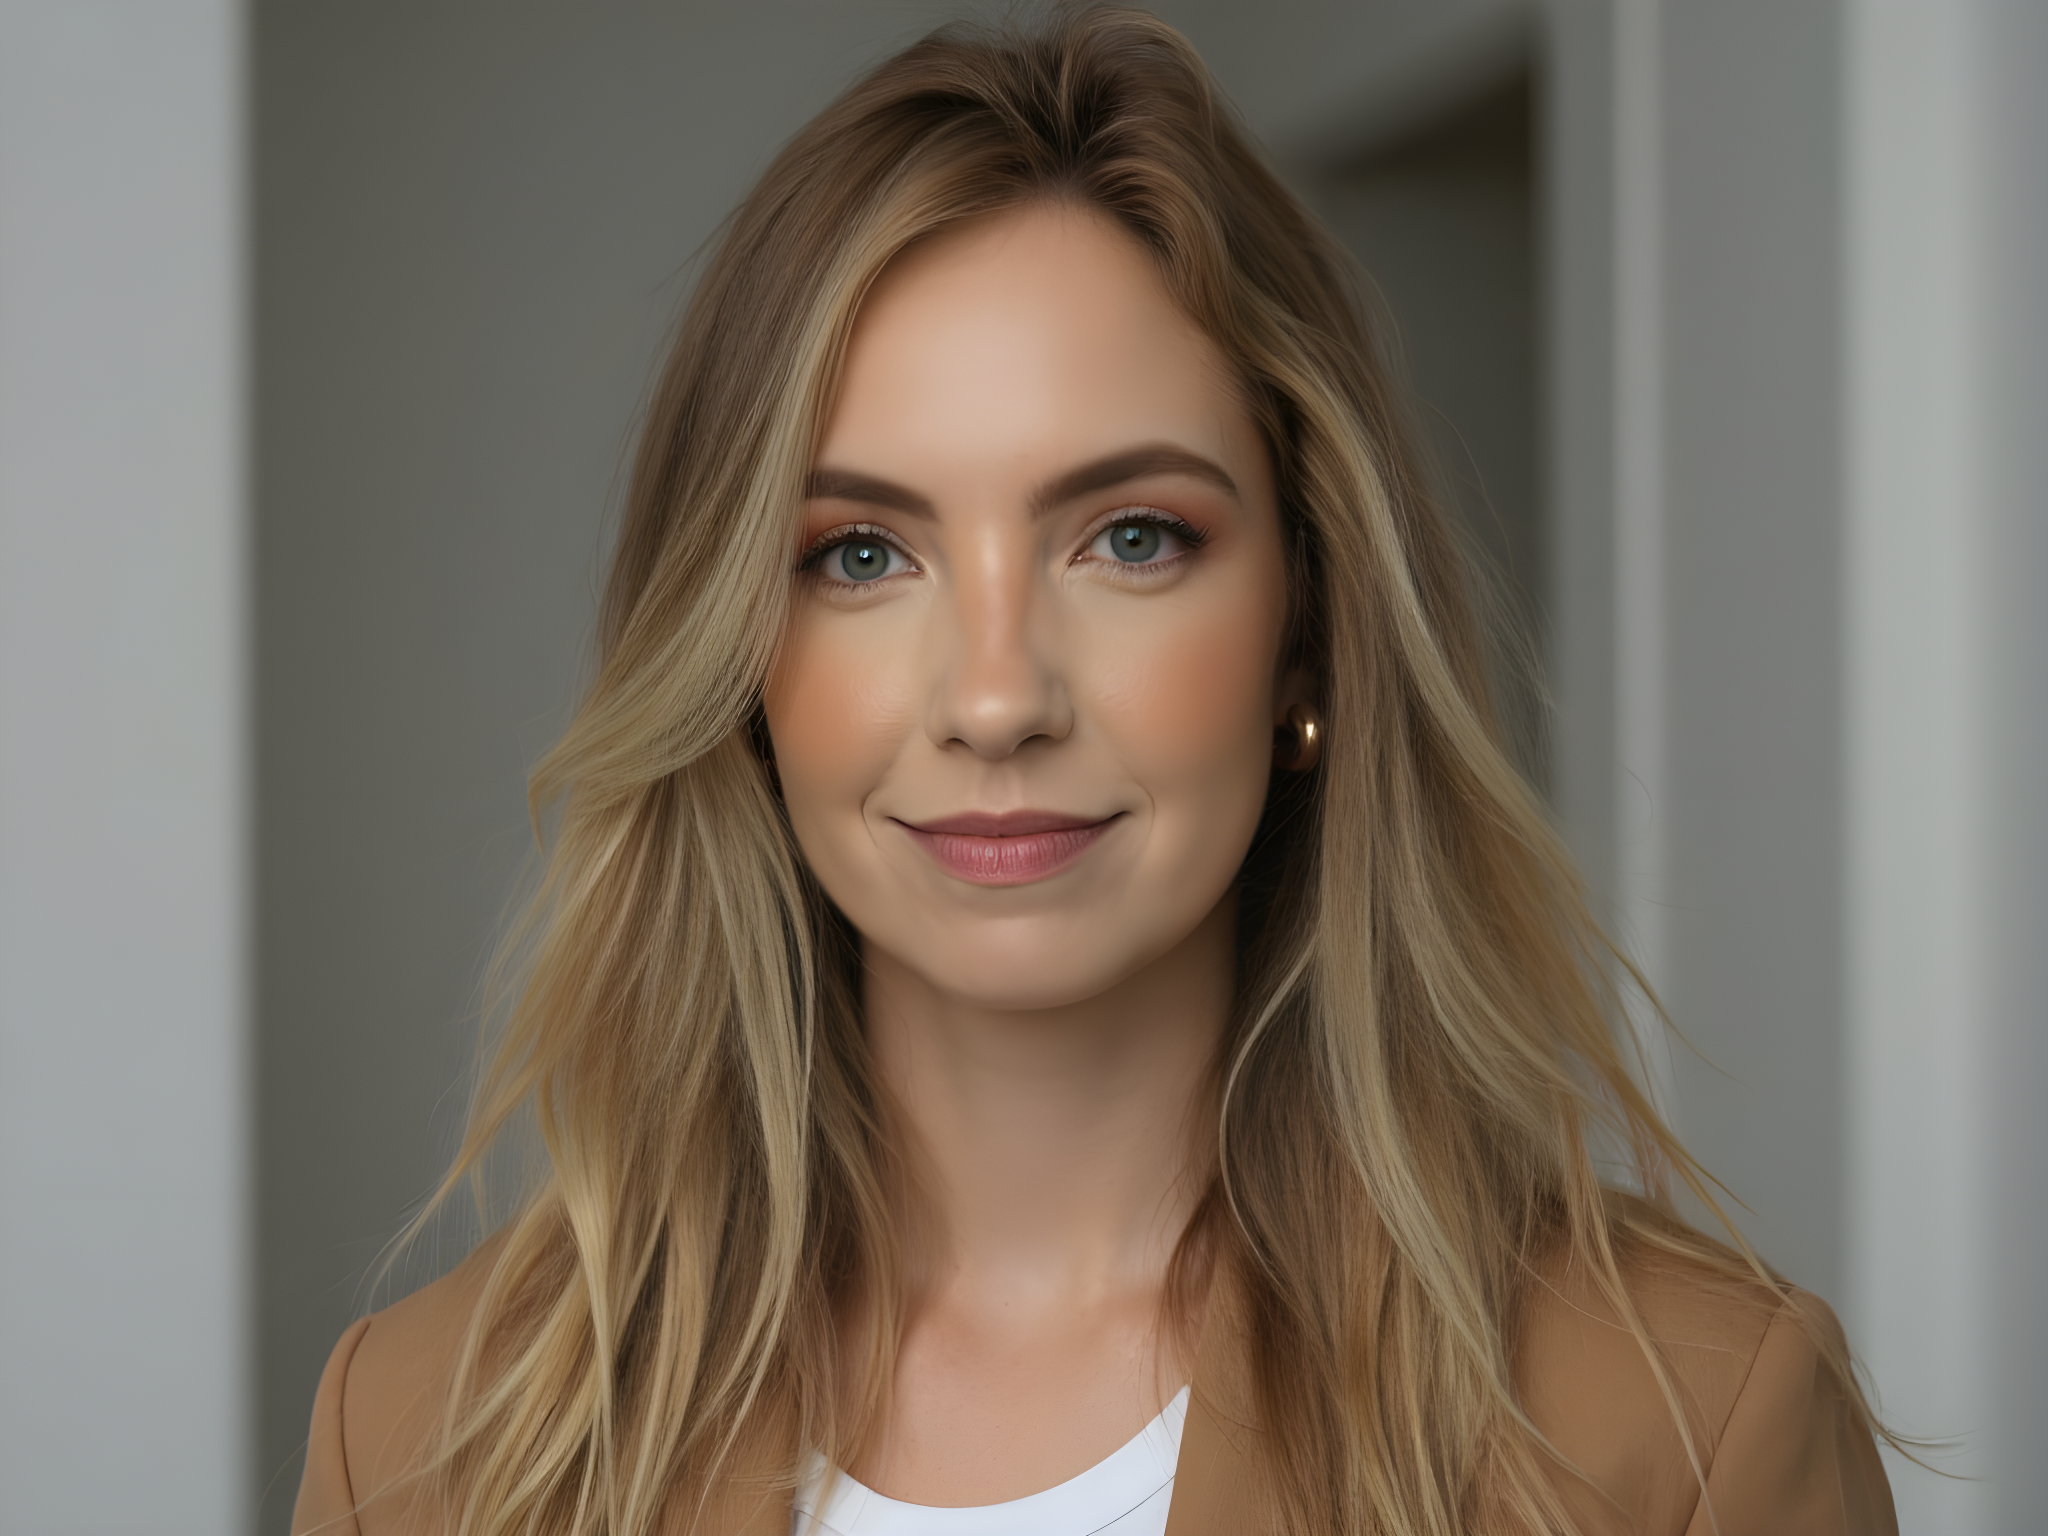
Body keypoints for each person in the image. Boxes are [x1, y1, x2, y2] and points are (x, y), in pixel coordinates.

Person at [291, 10, 1899, 1534]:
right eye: (860, 553)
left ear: (1308, 634)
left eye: (1132, 538)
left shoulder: (1680, 1434)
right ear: (735, 670)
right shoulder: (427, 1437)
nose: (996, 699)